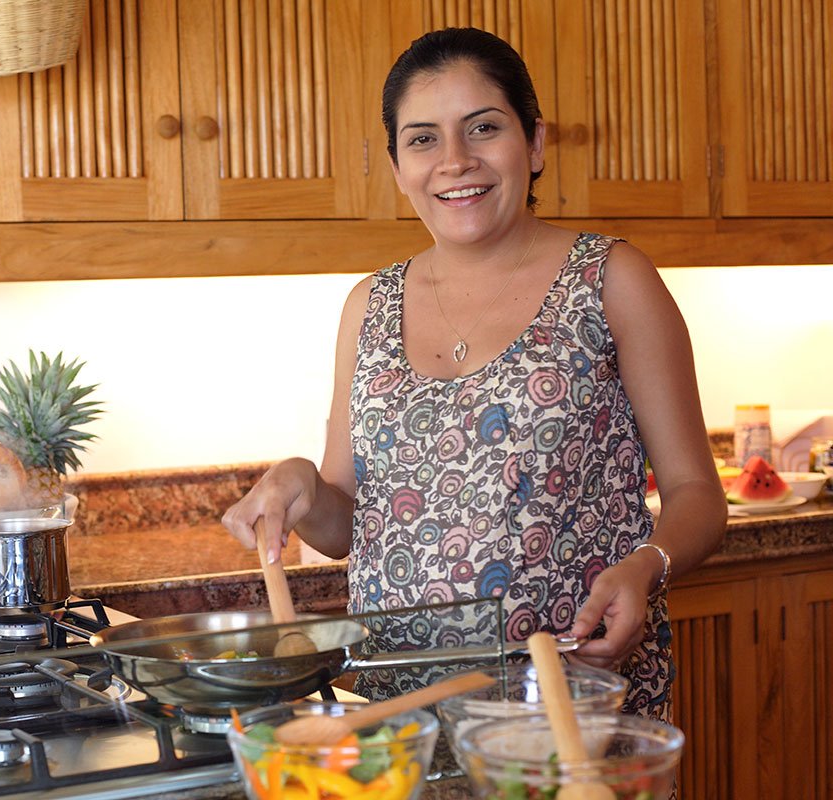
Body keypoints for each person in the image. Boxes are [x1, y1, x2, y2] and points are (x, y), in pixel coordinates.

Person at [221, 27, 727, 719]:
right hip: (400, 711)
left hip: (570, 702)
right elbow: (345, 528)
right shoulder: (369, 305)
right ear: (397, 166)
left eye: (483, 127)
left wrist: (647, 567)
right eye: (423, 139)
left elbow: (698, 494)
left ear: (535, 143)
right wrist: (300, 482)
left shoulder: (611, 280)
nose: (455, 161)